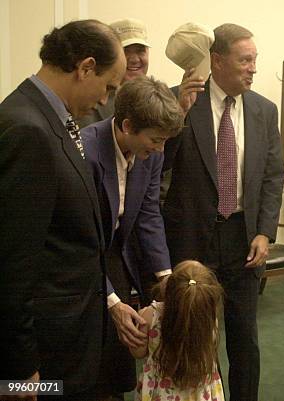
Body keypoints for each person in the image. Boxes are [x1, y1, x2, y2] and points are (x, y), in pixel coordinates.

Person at [0, 19, 125, 400]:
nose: (106, 100)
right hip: (43, 354)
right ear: (85, 67)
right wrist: (19, 367)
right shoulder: (28, 128)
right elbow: (12, 261)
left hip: (70, 336)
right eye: (108, 86)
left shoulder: (52, 118)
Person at [162, 23, 284, 401]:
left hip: (243, 239)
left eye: (254, 60)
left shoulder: (265, 110)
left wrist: (265, 232)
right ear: (216, 61)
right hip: (192, 239)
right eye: (244, 60)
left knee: (244, 337)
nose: (252, 68)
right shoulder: (180, 100)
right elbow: (157, 165)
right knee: (195, 335)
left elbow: (272, 175)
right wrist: (178, 115)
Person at [81, 76, 184, 400]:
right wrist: (112, 302)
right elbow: (81, 243)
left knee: (119, 360)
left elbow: (149, 215)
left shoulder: (152, 153)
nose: (160, 149)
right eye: (155, 139)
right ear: (127, 126)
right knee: (88, 363)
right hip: (80, 259)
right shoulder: (85, 152)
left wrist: (165, 275)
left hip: (116, 256)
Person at [130, 260, 225, 401]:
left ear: (168, 289)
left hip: (159, 393)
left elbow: (137, 352)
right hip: (199, 393)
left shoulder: (151, 315)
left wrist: (141, 321)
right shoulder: (209, 321)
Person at [78, 18, 150, 127]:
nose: (134, 59)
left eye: (140, 51)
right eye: (125, 51)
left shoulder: (156, 98)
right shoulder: (89, 100)